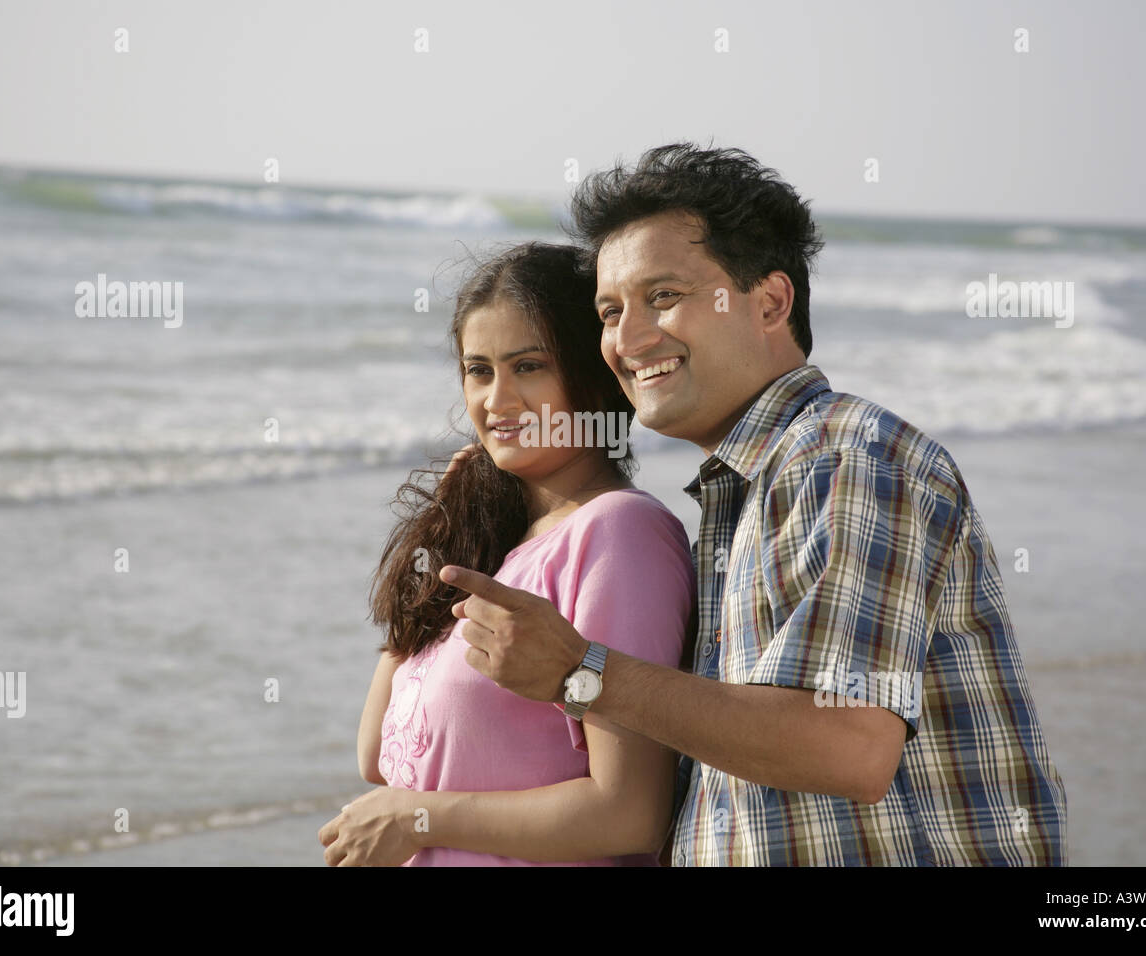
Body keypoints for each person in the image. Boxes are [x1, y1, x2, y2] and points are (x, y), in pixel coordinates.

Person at [438, 144, 1069, 866]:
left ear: (770, 302)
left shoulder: (845, 457)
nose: (629, 339)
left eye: (664, 297)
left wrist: (580, 672)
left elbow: (848, 744)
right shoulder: (742, 493)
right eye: (611, 311)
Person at [319, 241, 696, 866]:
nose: (498, 400)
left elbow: (629, 813)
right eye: (479, 370)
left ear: (591, 370)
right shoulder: (498, 546)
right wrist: (446, 534)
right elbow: (377, 756)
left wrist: (417, 820)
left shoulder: (619, 534)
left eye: (528, 366)